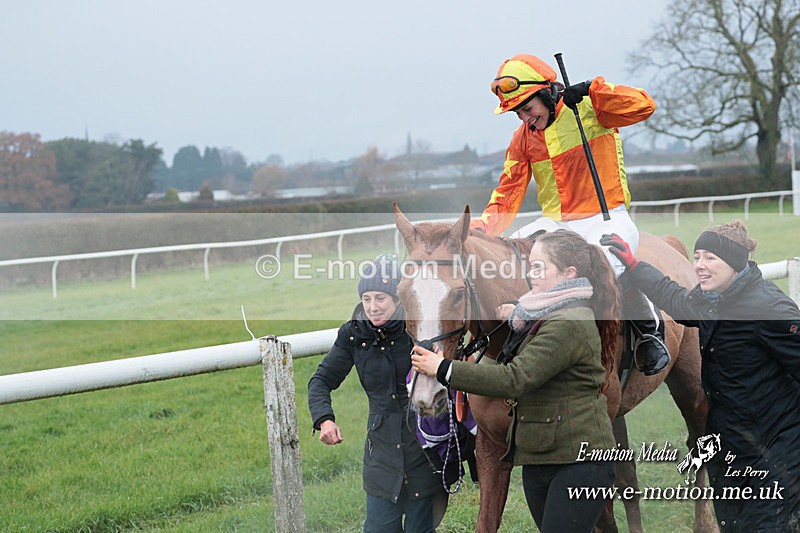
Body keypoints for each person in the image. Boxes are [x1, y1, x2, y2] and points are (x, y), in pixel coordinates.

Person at [471, 53, 669, 376]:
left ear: (548, 94)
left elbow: (644, 105)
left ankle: (648, 327)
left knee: (608, 261)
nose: (524, 118)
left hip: (605, 217)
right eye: (517, 113)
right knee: (503, 257)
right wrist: (478, 233)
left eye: (527, 109)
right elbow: (506, 194)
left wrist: (594, 90)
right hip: (556, 224)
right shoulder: (522, 140)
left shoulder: (591, 109)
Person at [411, 230, 619, 532]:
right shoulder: (539, 312)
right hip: (541, 460)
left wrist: (444, 368)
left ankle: (650, 332)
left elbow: (515, 378)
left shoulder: (569, 322)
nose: (529, 275)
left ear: (569, 273)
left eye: (538, 268)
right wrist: (519, 312)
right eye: (529, 266)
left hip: (579, 461)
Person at [601, 222, 800, 531]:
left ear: (734, 263)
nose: (700, 266)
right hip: (730, 444)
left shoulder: (770, 308)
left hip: (775, 447)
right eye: (697, 256)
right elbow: (675, 299)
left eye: (710, 258)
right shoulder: (712, 300)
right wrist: (634, 266)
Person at [307, 255, 444, 533]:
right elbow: (320, 380)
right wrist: (325, 419)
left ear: (398, 299)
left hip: (423, 453)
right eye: (366, 298)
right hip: (380, 457)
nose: (372, 307)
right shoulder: (353, 334)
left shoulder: (421, 331)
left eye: (380, 298)